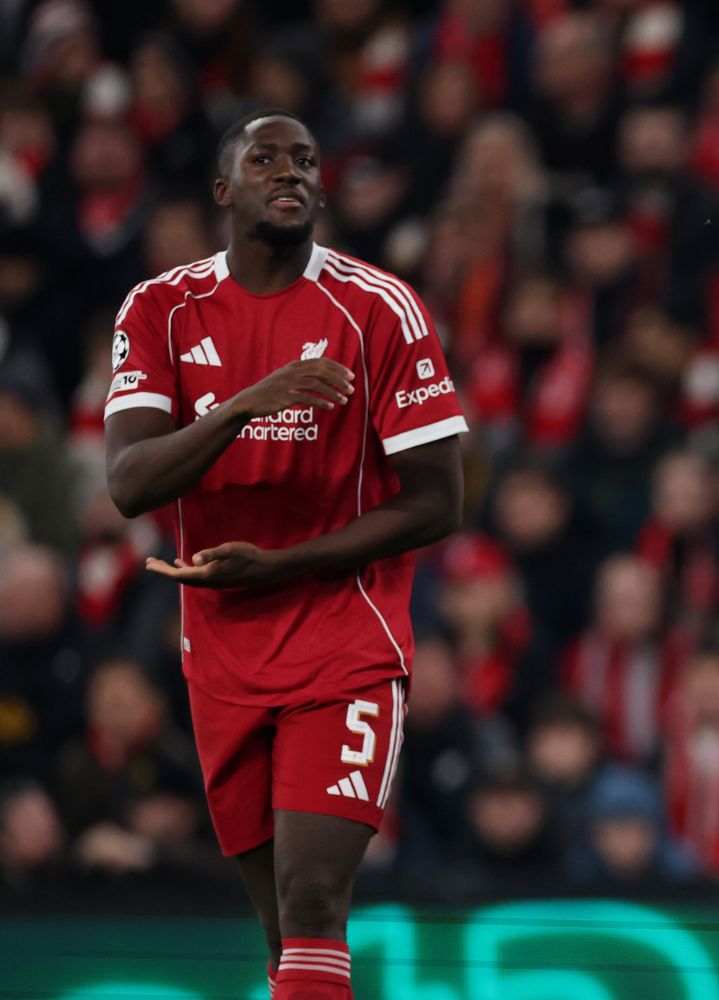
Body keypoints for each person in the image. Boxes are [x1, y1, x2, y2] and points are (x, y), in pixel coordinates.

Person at [103, 109, 467, 1000]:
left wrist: (283, 564)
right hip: (221, 646)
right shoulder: (160, 307)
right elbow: (130, 483)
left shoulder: (379, 306)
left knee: (313, 901)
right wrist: (239, 405)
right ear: (225, 189)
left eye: (306, 159)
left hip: (346, 636)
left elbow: (438, 500)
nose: (290, 172)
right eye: (265, 159)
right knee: (282, 935)